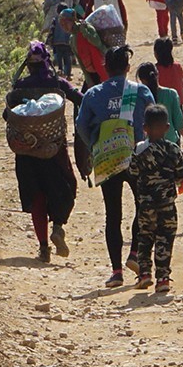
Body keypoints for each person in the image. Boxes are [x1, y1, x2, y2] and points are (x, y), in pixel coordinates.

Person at [76, 45, 154, 288]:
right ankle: (136, 257)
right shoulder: (141, 92)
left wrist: (96, 146)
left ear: (105, 68)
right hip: (137, 156)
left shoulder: (93, 94)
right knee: (144, 208)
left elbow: (81, 127)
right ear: (128, 68)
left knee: (113, 215)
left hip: (107, 159)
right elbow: (154, 119)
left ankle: (116, 271)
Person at [4, 41, 82, 262]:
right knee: (65, 188)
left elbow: (6, 115)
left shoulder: (20, 86)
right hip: (53, 149)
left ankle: (43, 247)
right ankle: (57, 226)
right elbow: (79, 100)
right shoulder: (57, 84)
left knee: (37, 197)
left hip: (27, 151)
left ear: (28, 66)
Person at [129, 104, 183, 293]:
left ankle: (144, 273)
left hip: (146, 204)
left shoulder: (139, 150)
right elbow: (182, 172)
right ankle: (163, 278)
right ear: (167, 127)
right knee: (165, 239)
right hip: (167, 204)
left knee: (145, 238)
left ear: (144, 127)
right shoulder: (173, 150)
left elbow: (132, 171)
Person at [136, 62, 183, 152]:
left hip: (148, 145)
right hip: (171, 143)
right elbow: (178, 121)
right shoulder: (171, 94)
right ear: (157, 75)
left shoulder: (140, 97)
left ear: (142, 80)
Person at [58, 8, 108, 87]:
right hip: (91, 73)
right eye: (61, 24)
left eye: (65, 23)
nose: (63, 26)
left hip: (104, 68)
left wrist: (84, 31)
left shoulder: (86, 27)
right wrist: (88, 80)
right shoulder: (72, 39)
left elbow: (97, 43)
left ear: (73, 20)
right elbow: (80, 61)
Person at [154, 36, 183, 119]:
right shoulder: (177, 67)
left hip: (161, 107)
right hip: (177, 105)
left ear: (156, 53)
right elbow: (182, 87)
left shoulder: (155, 70)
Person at [47, 2, 73, 77]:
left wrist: (49, 41)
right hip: (67, 43)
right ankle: (68, 74)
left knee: (59, 58)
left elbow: (52, 30)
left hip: (57, 42)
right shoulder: (70, 20)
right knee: (67, 59)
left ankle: (60, 71)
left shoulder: (55, 19)